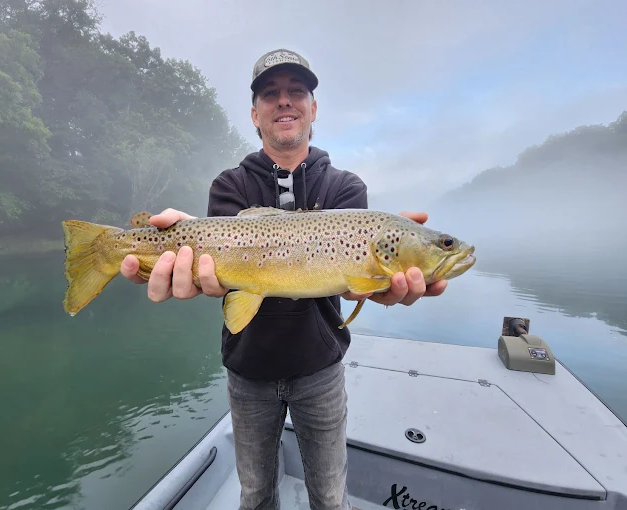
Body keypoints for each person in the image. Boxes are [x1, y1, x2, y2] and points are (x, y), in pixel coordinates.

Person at [120, 48, 448, 510]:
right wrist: (169, 250)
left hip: (320, 368)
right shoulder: (229, 185)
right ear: (255, 114)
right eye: (271, 94)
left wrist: (379, 289)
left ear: (314, 109)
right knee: (255, 495)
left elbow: (361, 284)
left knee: (331, 497)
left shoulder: (346, 189)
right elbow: (222, 275)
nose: (285, 101)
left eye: (297, 91)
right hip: (247, 369)